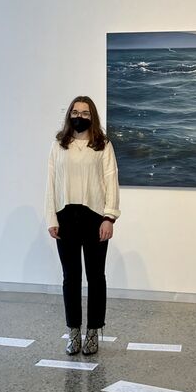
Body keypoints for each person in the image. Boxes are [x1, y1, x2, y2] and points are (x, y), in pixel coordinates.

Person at [46, 96, 120, 356]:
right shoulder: (59, 144)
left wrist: (109, 217)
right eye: (75, 112)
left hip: (95, 217)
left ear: (93, 116)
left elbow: (111, 182)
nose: (80, 116)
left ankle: (93, 333)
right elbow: (51, 183)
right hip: (65, 217)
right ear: (69, 115)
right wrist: (51, 219)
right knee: (71, 278)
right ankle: (73, 332)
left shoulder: (102, 145)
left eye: (85, 113)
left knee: (96, 277)